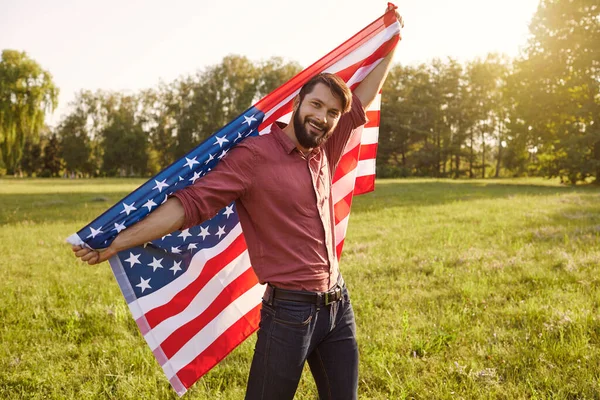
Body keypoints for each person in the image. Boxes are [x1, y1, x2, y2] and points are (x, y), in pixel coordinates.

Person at [73, 6, 403, 399]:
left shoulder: (324, 149)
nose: (323, 117)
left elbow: (362, 97)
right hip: (290, 314)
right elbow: (190, 205)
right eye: (316, 105)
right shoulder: (254, 156)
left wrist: (392, 40)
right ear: (299, 102)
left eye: (332, 113)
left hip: (338, 306)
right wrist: (118, 240)